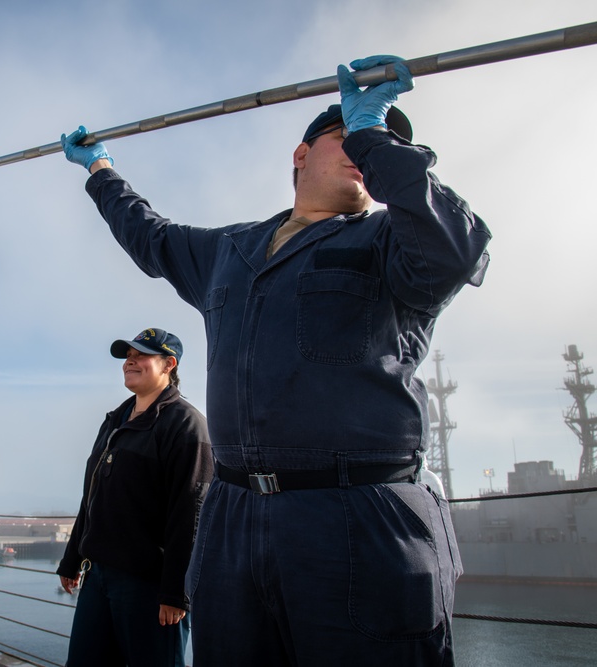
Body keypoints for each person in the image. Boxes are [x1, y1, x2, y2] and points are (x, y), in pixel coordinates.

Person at [60, 56, 491, 665]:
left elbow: (456, 250)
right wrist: (100, 169)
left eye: (383, 144)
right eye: (348, 137)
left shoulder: (388, 240)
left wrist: (373, 133)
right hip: (232, 518)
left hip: (358, 516)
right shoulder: (228, 250)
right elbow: (149, 235)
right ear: (300, 154)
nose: (367, 152)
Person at [57, 328, 213, 667]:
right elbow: (93, 495)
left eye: (142, 355)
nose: (131, 360)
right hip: (98, 576)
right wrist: (72, 559)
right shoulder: (115, 420)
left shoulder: (186, 425)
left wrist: (176, 593)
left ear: (169, 364)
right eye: (128, 355)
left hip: (149, 585)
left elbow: (191, 514)